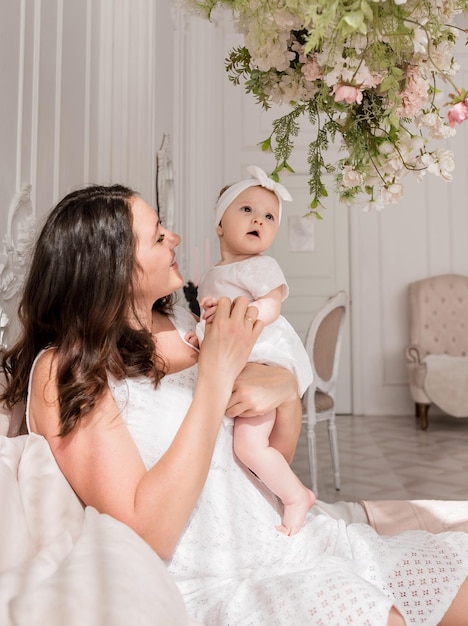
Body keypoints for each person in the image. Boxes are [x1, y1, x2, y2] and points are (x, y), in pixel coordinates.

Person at [2, 183, 468, 626]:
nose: (176, 238)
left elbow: (273, 457)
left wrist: (284, 390)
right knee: (375, 616)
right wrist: (215, 377)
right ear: (111, 266)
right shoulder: (64, 370)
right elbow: (148, 533)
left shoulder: (181, 325)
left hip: (290, 540)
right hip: (221, 577)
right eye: (158, 235)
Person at [188, 165, 315, 536]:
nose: (259, 218)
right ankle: (257, 501)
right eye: (246, 209)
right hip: (238, 357)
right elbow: (212, 319)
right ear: (219, 225)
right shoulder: (213, 274)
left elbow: (272, 303)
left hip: (265, 356)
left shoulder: (261, 266)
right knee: (237, 441)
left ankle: (295, 496)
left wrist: (252, 312)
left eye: (269, 216)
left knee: (248, 445)